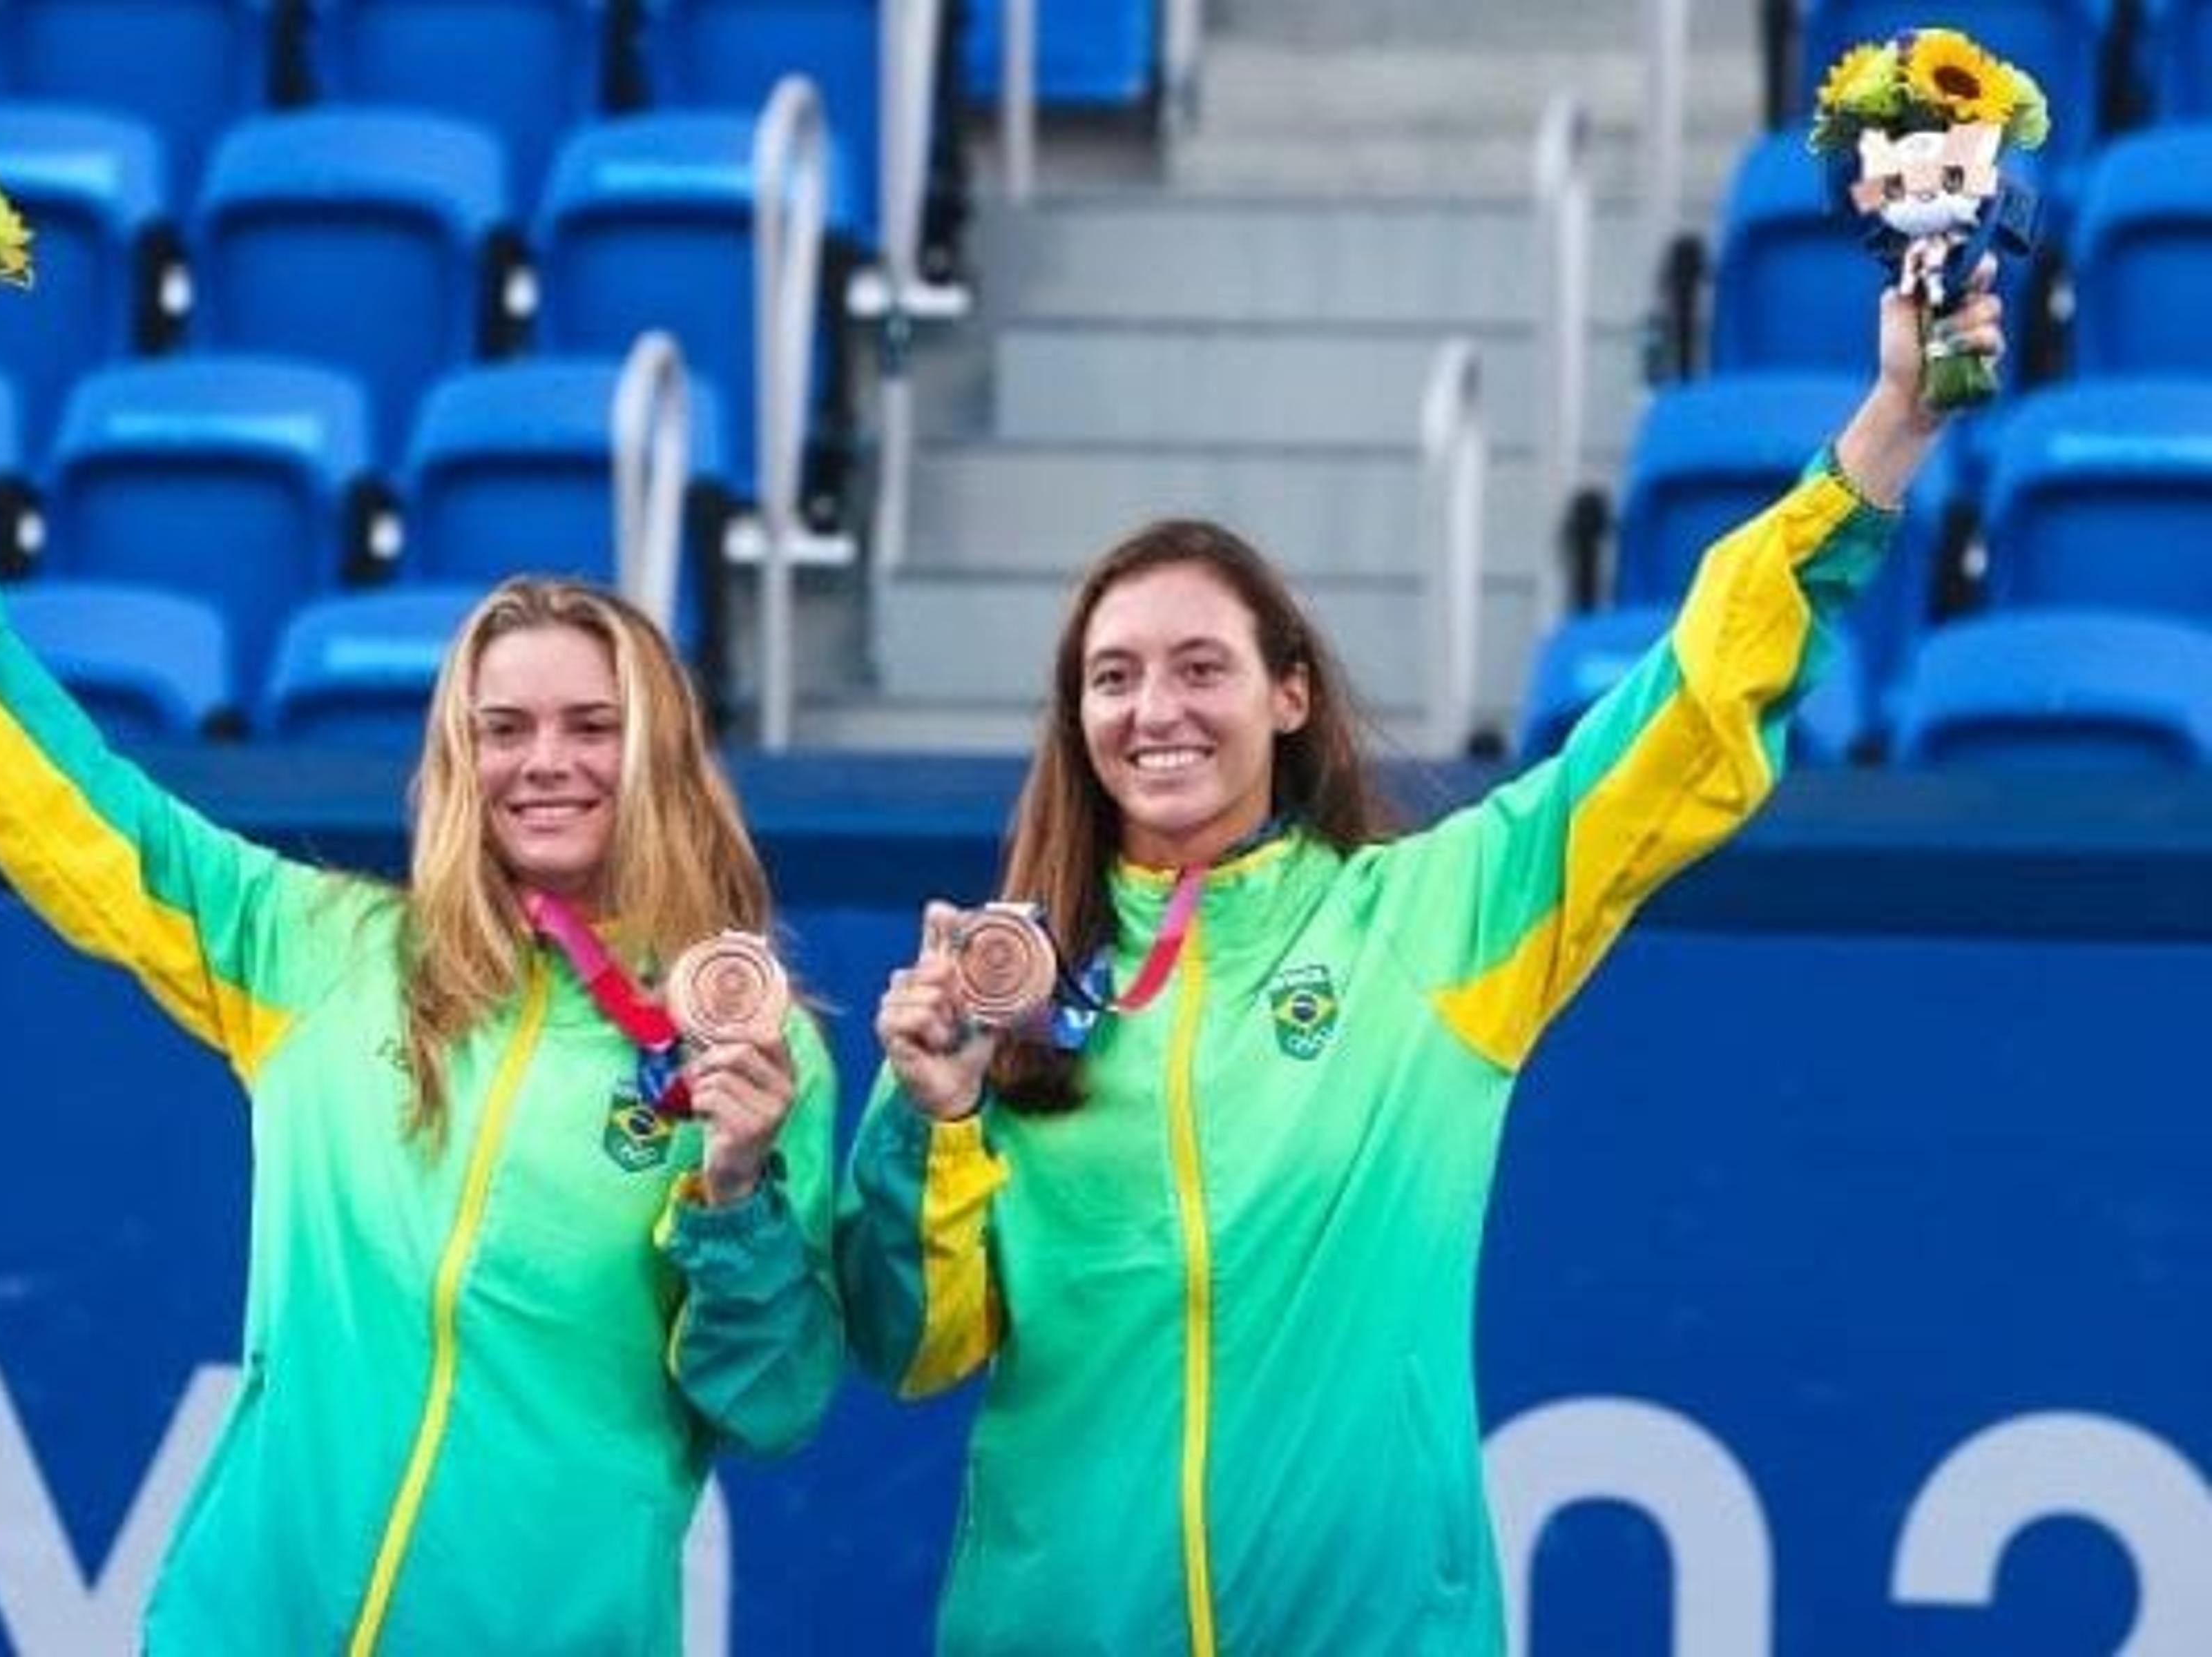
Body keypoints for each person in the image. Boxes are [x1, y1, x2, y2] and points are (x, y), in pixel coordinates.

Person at [837, 265, 2007, 1652]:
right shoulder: (1004, 991)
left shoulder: (1437, 919)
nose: (1155, 710)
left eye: (1200, 667)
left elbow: (1690, 706)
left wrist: (1886, 433)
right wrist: (935, 1116)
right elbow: (914, 1343)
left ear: (1289, 693)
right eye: (1114, 676)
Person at [0, 371, 843, 1653]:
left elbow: (773, 1402)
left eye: (590, 727)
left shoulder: (749, 1047)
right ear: (460, 757)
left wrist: (736, 1196)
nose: (543, 762)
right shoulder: (323, 951)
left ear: (660, 751)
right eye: (501, 729)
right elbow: (67, 792)